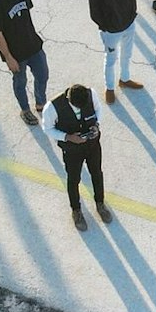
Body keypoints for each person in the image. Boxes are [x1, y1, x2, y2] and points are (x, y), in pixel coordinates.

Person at [41, 85, 112, 232]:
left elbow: (98, 110)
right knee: (74, 180)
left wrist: (96, 125)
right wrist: (67, 137)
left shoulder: (90, 94)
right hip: (72, 150)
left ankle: (100, 203)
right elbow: (47, 128)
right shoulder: (52, 107)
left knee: (97, 173)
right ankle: (76, 211)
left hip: (92, 145)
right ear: (68, 99)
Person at [0, 0, 48, 126]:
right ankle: (25, 110)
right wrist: (8, 57)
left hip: (33, 45)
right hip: (15, 54)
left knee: (42, 75)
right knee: (20, 82)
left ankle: (41, 103)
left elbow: (26, 14)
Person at [87, 0, 143, 106]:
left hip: (128, 23)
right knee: (111, 59)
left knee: (127, 54)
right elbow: (94, 10)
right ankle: (110, 88)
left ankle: (125, 79)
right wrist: (106, 25)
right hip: (111, 30)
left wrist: (132, 13)